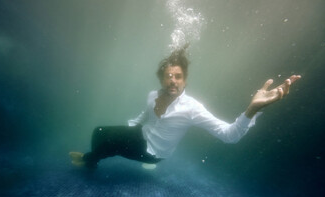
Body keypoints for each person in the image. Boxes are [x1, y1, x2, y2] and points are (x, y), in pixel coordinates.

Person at [69, 47, 301, 168]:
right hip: (140, 135)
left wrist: (252, 110)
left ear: (185, 80)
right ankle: (96, 157)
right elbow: (143, 116)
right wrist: (127, 129)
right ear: (161, 80)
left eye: (178, 77)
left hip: (154, 154)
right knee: (100, 131)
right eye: (168, 76)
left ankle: (91, 161)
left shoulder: (192, 108)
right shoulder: (152, 95)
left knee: (111, 142)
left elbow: (229, 136)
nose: (173, 81)